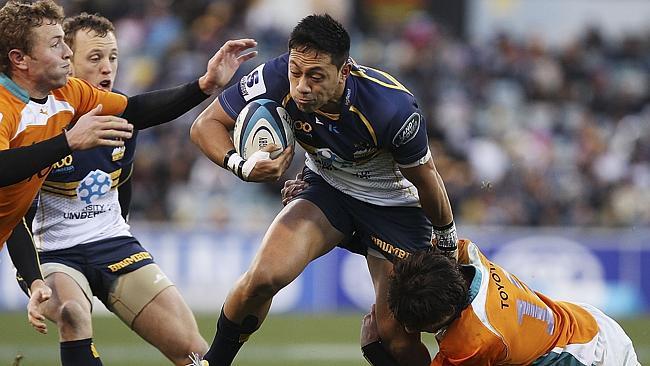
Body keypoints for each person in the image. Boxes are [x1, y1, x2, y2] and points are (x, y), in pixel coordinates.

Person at [190, 14, 457, 366]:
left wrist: (447, 242)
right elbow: (204, 125)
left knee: (395, 338)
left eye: (316, 76)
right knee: (263, 278)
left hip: (394, 208)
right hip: (328, 189)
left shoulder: (391, 108)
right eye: (296, 73)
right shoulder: (275, 75)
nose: (301, 86)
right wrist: (240, 165)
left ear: (343, 72)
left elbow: (427, 179)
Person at [0, 1, 256, 364]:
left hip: (112, 244)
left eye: (113, 57)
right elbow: (13, 202)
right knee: (72, 314)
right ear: (21, 58)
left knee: (194, 351)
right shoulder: (14, 110)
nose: (66, 54)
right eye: (58, 45)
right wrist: (33, 276)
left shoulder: (74, 97)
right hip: (54, 252)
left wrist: (204, 85)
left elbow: (135, 112)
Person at [358, 239, 640, 366]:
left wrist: (375, 351)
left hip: (591, 357)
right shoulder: (468, 255)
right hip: (587, 323)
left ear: (444, 315)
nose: (408, 328)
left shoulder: (473, 341)